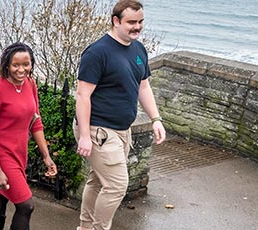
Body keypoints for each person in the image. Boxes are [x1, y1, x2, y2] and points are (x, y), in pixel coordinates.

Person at [73, 1, 167, 229]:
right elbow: (82, 95)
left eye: (141, 21)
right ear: (116, 21)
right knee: (116, 185)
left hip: (123, 130)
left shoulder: (138, 49)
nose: (137, 27)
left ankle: (85, 227)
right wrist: (85, 135)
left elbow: (143, 86)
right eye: (131, 22)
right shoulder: (97, 53)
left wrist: (155, 119)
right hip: (99, 130)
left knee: (98, 181)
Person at [0, 42, 56, 230]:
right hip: (0, 156)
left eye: (26, 64)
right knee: (26, 206)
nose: (21, 70)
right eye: (16, 65)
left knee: (0, 202)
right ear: (6, 64)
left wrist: (46, 156)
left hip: (19, 153)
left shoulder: (30, 84)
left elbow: (36, 122)